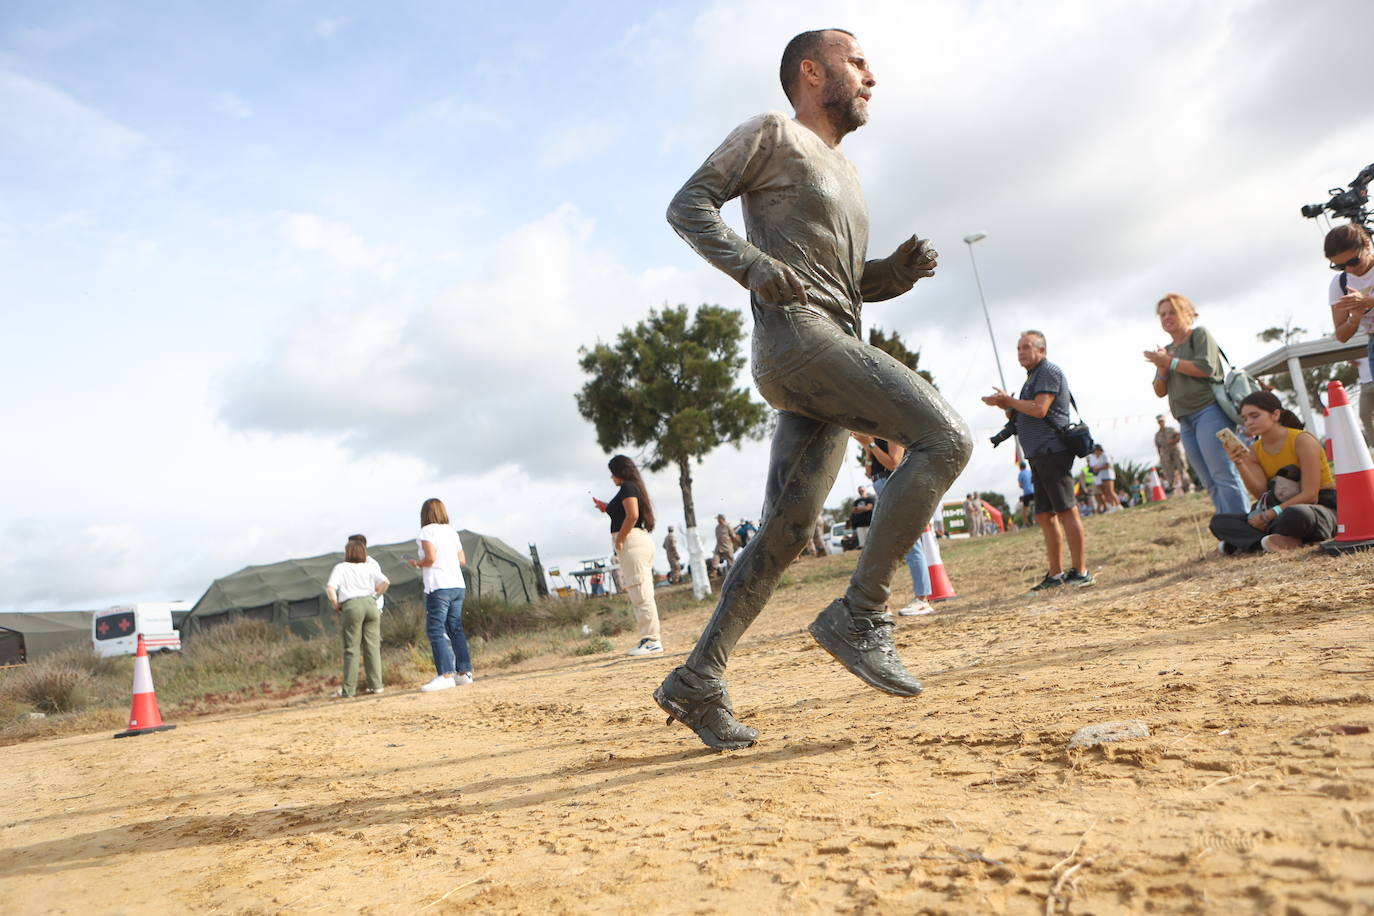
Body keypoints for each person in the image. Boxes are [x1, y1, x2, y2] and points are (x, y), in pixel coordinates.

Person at [654, 28, 972, 751]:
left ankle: (698, 678)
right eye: (856, 61)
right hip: (798, 343)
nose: (871, 75)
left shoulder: (848, 175)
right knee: (945, 438)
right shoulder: (772, 133)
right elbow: (689, 207)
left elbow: (847, 287)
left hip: (829, 343)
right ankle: (861, 613)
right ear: (810, 71)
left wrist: (894, 271)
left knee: (788, 530)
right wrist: (752, 267)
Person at [982, 331, 1093, 591]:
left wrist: (1009, 401)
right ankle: (1055, 574)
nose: (1021, 352)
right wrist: (1005, 405)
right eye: (1018, 347)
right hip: (1039, 454)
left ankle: (1081, 571)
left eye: (1026, 347)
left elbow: (1039, 409)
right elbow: (1025, 412)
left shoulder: (1048, 372)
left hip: (1052, 451)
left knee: (1066, 510)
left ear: (1042, 350)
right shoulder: (1033, 377)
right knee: (1045, 515)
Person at [1144, 294, 1248, 515]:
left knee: (1223, 473)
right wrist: (1162, 367)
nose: (1166, 317)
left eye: (1172, 312)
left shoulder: (1199, 335)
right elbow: (1159, 390)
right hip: (1185, 418)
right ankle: (1230, 531)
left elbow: (1205, 368)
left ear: (1187, 313)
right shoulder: (1167, 348)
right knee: (1208, 480)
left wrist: (1168, 362)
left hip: (1209, 411)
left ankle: (1244, 527)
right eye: (1162, 314)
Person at [1210, 391, 1337, 552]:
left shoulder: (1302, 440)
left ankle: (1241, 544)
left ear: (1275, 415)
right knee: (1219, 523)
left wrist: (1271, 514)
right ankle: (1273, 541)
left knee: (1296, 515)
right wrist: (1240, 463)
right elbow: (1261, 493)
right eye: (1245, 418)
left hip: (1317, 507)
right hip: (1278, 509)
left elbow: (1310, 495)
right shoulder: (1254, 450)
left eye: (1255, 416)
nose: (1248, 422)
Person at [857, 434, 932, 616]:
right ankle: (882, 603)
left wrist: (871, 444)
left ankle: (922, 599)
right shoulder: (875, 432)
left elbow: (894, 463)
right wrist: (867, 448)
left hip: (893, 485)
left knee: (910, 545)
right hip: (881, 486)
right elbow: (869, 471)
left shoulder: (891, 429)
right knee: (878, 547)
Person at [598, 455, 663, 656]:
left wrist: (620, 540)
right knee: (639, 591)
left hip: (632, 542)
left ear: (619, 472)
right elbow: (626, 513)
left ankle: (652, 639)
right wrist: (606, 508)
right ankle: (649, 637)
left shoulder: (627, 488)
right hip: (636, 541)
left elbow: (632, 515)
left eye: (612, 473)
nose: (611, 478)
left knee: (640, 591)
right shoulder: (631, 488)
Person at [407, 498, 474, 692]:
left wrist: (417, 563)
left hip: (439, 585)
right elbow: (462, 560)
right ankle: (464, 673)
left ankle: (445, 675)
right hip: (457, 585)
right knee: (455, 628)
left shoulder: (426, 531)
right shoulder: (451, 531)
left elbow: (430, 558)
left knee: (436, 630)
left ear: (424, 514)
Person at [1326, 223, 1374, 449]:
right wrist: (1354, 317)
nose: (1350, 270)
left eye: (1354, 261)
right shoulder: (1340, 284)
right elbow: (1341, 335)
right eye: (1340, 266)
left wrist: (1367, 302)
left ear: (1366, 245)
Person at [325, 536, 389, 698]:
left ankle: (349, 690)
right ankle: (377, 686)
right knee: (372, 647)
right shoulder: (369, 566)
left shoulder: (341, 567)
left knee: (351, 649)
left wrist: (335, 603)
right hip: (371, 605)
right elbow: (386, 582)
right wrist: (374, 597)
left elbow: (330, 588)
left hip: (352, 606)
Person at [1154, 415, 1191, 494]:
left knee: (1181, 468)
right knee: (1168, 471)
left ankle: (1187, 487)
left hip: (1176, 451)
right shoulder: (1157, 435)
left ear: (1164, 421)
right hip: (1166, 454)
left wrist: (1173, 441)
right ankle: (1172, 489)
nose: (1161, 423)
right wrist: (1160, 456)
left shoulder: (1171, 429)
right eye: (1159, 422)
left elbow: (1179, 436)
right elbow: (1158, 446)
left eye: (1162, 421)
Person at [1087, 445, 1119, 511]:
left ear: (1098, 450)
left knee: (1110, 491)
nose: (1094, 452)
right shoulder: (1097, 457)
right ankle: (1112, 506)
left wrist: (1098, 468)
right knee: (1106, 492)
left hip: (1108, 476)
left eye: (1095, 450)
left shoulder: (1105, 455)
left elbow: (1108, 465)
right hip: (1102, 476)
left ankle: (1118, 505)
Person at [1016, 461, 1035, 527]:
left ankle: (1025, 524)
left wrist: (1024, 487)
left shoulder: (1020, 473)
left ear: (1020, 467)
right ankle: (1038, 521)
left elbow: (1020, 485)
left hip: (1027, 492)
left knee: (1025, 509)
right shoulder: (1030, 472)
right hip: (1034, 491)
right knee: (1039, 506)